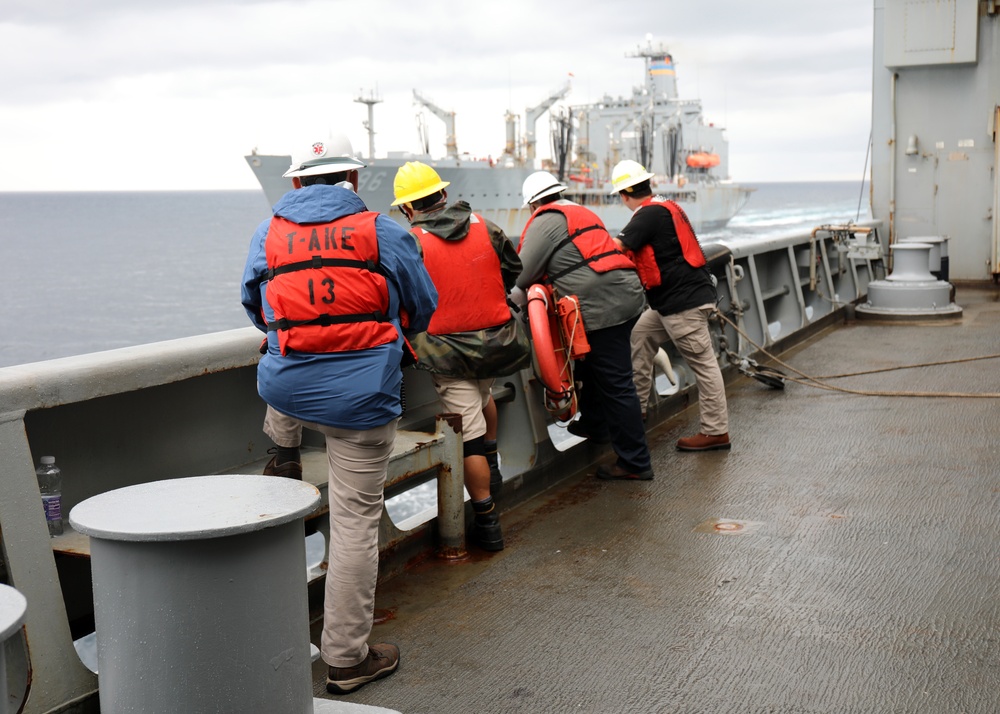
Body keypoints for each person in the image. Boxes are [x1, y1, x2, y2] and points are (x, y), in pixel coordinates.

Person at [241, 133, 438, 695]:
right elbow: (422, 306)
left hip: (290, 394)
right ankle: (348, 661)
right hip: (361, 398)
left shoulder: (267, 232)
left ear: (297, 182)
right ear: (353, 181)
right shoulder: (384, 230)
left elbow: (256, 306)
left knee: (281, 361)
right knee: (353, 521)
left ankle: (282, 452)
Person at [391, 161, 530, 550]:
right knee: (485, 395)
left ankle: (488, 522)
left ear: (407, 209)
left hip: (447, 352)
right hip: (497, 343)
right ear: (444, 195)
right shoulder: (488, 227)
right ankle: (494, 463)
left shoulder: (411, 243)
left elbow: (406, 298)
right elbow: (512, 269)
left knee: (466, 437)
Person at [514, 171, 653, 481]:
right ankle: (595, 424)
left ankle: (635, 462)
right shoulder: (581, 211)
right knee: (592, 366)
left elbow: (522, 274)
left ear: (533, 203)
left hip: (602, 308)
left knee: (617, 384)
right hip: (627, 295)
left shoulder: (543, 221)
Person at [610, 159, 731, 451]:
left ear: (625, 194)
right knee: (640, 334)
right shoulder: (666, 206)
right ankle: (637, 409)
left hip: (682, 305)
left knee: (704, 366)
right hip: (674, 302)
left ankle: (716, 432)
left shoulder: (646, 215)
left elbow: (618, 248)